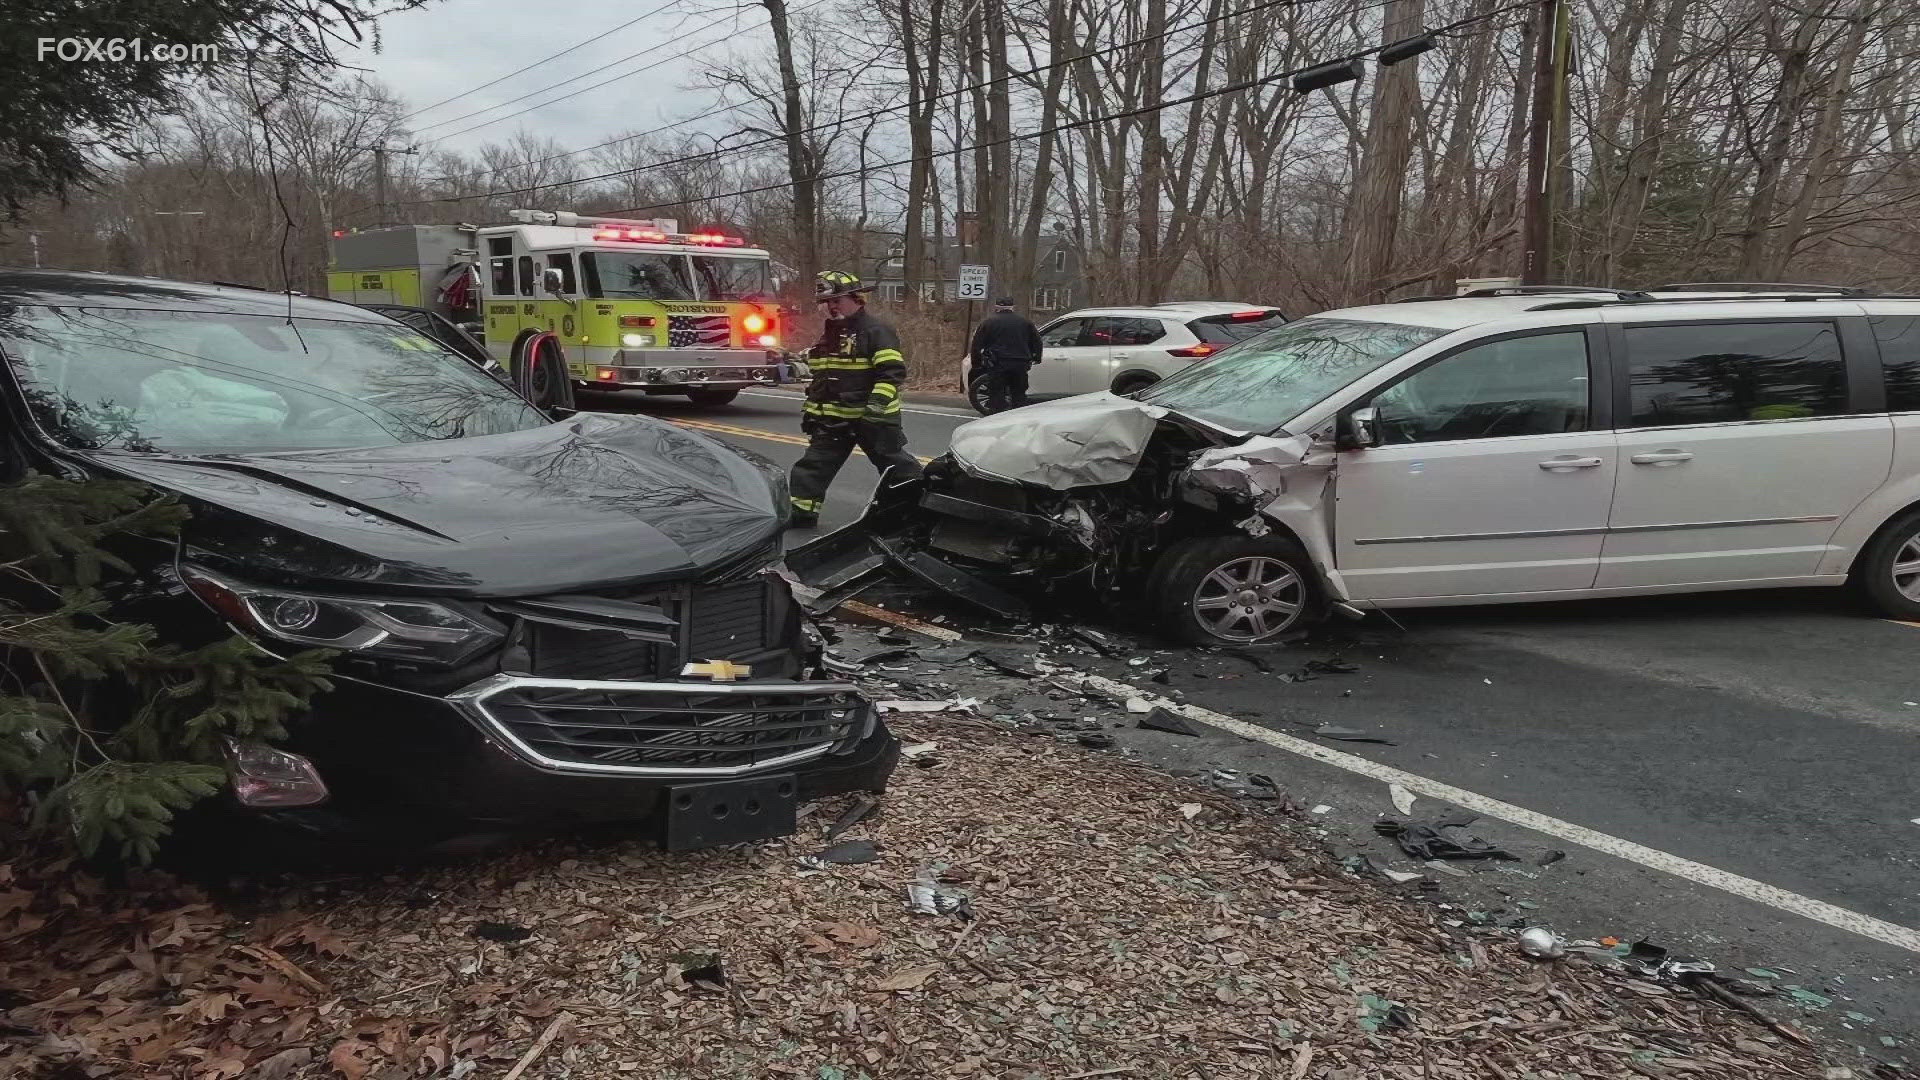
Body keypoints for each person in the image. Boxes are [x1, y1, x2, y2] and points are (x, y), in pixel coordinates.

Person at [787, 270, 922, 528]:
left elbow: (892, 373)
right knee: (813, 466)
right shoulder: (832, 334)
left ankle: (917, 511)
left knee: (896, 466)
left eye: (836, 300)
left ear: (857, 298)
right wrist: (790, 359)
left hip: (873, 420)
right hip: (835, 420)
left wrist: (876, 406)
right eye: (827, 302)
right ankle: (801, 513)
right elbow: (825, 366)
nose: (831, 307)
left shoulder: (876, 331)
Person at [969, 295, 1043, 413]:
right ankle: (1018, 419)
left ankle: (998, 416)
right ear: (1012, 307)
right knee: (1019, 393)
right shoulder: (1025, 322)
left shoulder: (988, 323)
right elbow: (1037, 341)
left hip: (998, 363)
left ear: (996, 307)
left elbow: (976, 345)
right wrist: (1037, 357)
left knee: (997, 393)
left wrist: (976, 364)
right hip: (1020, 363)